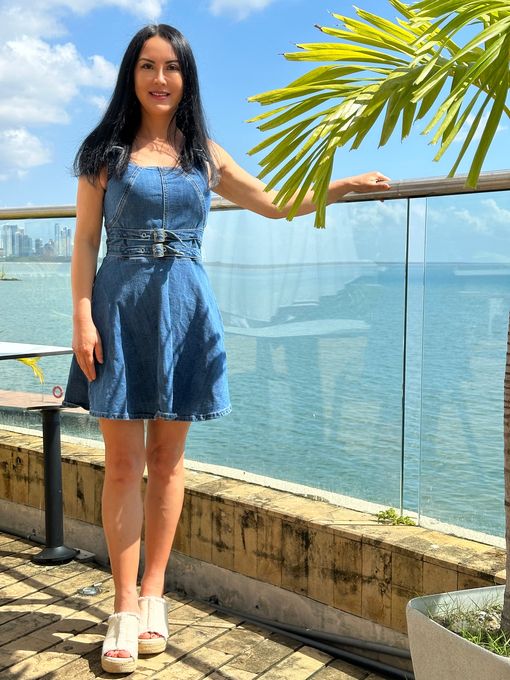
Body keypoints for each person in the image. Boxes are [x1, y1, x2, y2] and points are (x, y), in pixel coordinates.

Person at [63, 23, 390, 674]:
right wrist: (81, 317)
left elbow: (272, 202)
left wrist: (342, 185)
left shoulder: (204, 154)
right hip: (118, 306)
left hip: (186, 306)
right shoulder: (104, 152)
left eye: (172, 67)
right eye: (148, 66)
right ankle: (122, 608)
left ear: (186, 77)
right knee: (123, 465)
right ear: (131, 74)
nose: (160, 79)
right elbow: (84, 240)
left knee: (169, 461)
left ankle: (154, 595)